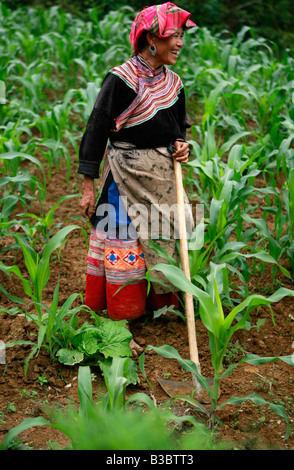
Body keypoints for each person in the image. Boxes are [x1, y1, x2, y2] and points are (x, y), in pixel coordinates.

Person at [78, 3, 196, 329]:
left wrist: (182, 145)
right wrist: (88, 184)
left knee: (162, 238)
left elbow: (178, 128)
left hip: (161, 176)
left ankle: (162, 312)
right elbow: (96, 128)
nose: (180, 43)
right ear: (151, 39)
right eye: (174, 35)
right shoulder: (121, 79)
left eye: (182, 35)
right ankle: (122, 318)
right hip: (125, 176)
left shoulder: (173, 82)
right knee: (124, 240)